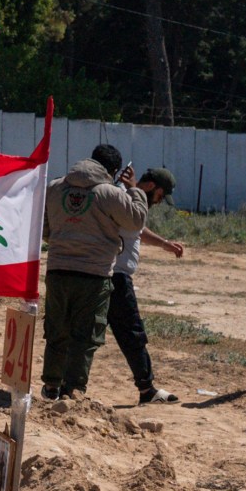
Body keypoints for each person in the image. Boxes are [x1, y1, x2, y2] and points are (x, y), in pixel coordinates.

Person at [40, 142, 147, 400]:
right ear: (114, 170)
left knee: (57, 329)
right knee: (86, 334)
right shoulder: (111, 193)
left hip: (58, 270)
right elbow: (136, 221)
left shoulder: (54, 188)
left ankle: (51, 384)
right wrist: (135, 189)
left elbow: (44, 230)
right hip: (94, 274)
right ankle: (74, 388)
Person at [109, 168, 185, 405]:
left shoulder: (130, 199)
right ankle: (146, 389)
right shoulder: (123, 195)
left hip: (111, 275)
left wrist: (164, 244)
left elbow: (137, 229)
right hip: (115, 276)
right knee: (132, 334)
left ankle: (65, 388)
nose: (160, 202)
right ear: (152, 187)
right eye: (161, 196)